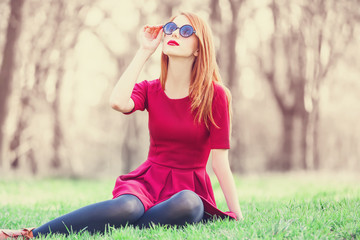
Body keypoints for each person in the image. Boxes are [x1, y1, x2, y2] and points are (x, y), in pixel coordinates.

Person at [0, 12, 243, 239]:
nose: (175, 33)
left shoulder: (216, 95)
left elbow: (220, 162)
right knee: (127, 206)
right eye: (170, 28)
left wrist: (237, 214)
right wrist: (144, 50)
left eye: (187, 31)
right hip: (148, 182)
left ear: (200, 49)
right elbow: (118, 102)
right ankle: (31, 234)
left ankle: (118, 223)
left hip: (188, 189)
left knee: (189, 204)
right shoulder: (150, 89)